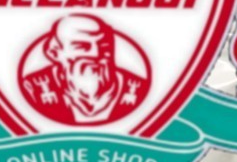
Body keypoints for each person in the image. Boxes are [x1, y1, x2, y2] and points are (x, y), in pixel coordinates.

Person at [21, 14, 149, 125]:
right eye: (82, 46)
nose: (96, 54)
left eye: (104, 46)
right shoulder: (32, 88)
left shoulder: (138, 89)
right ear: (54, 53)